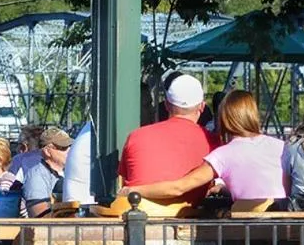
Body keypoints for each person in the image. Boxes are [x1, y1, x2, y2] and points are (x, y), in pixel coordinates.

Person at [119, 90, 285, 203]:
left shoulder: (224, 154)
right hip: (284, 227)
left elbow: (178, 188)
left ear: (223, 119)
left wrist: (132, 191)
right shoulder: (281, 147)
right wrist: (224, 189)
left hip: (248, 233)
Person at [119, 74, 217, 205]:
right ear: (202, 107)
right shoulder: (213, 143)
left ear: (166, 105)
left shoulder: (136, 137)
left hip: (140, 214)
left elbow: (123, 180)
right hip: (191, 215)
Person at [22, 127, 72, 217]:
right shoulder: (36, 176)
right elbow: (40, 215)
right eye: (63, 147)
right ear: (48, 151)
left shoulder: (71, 171)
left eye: (70, 146)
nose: (69, 150)